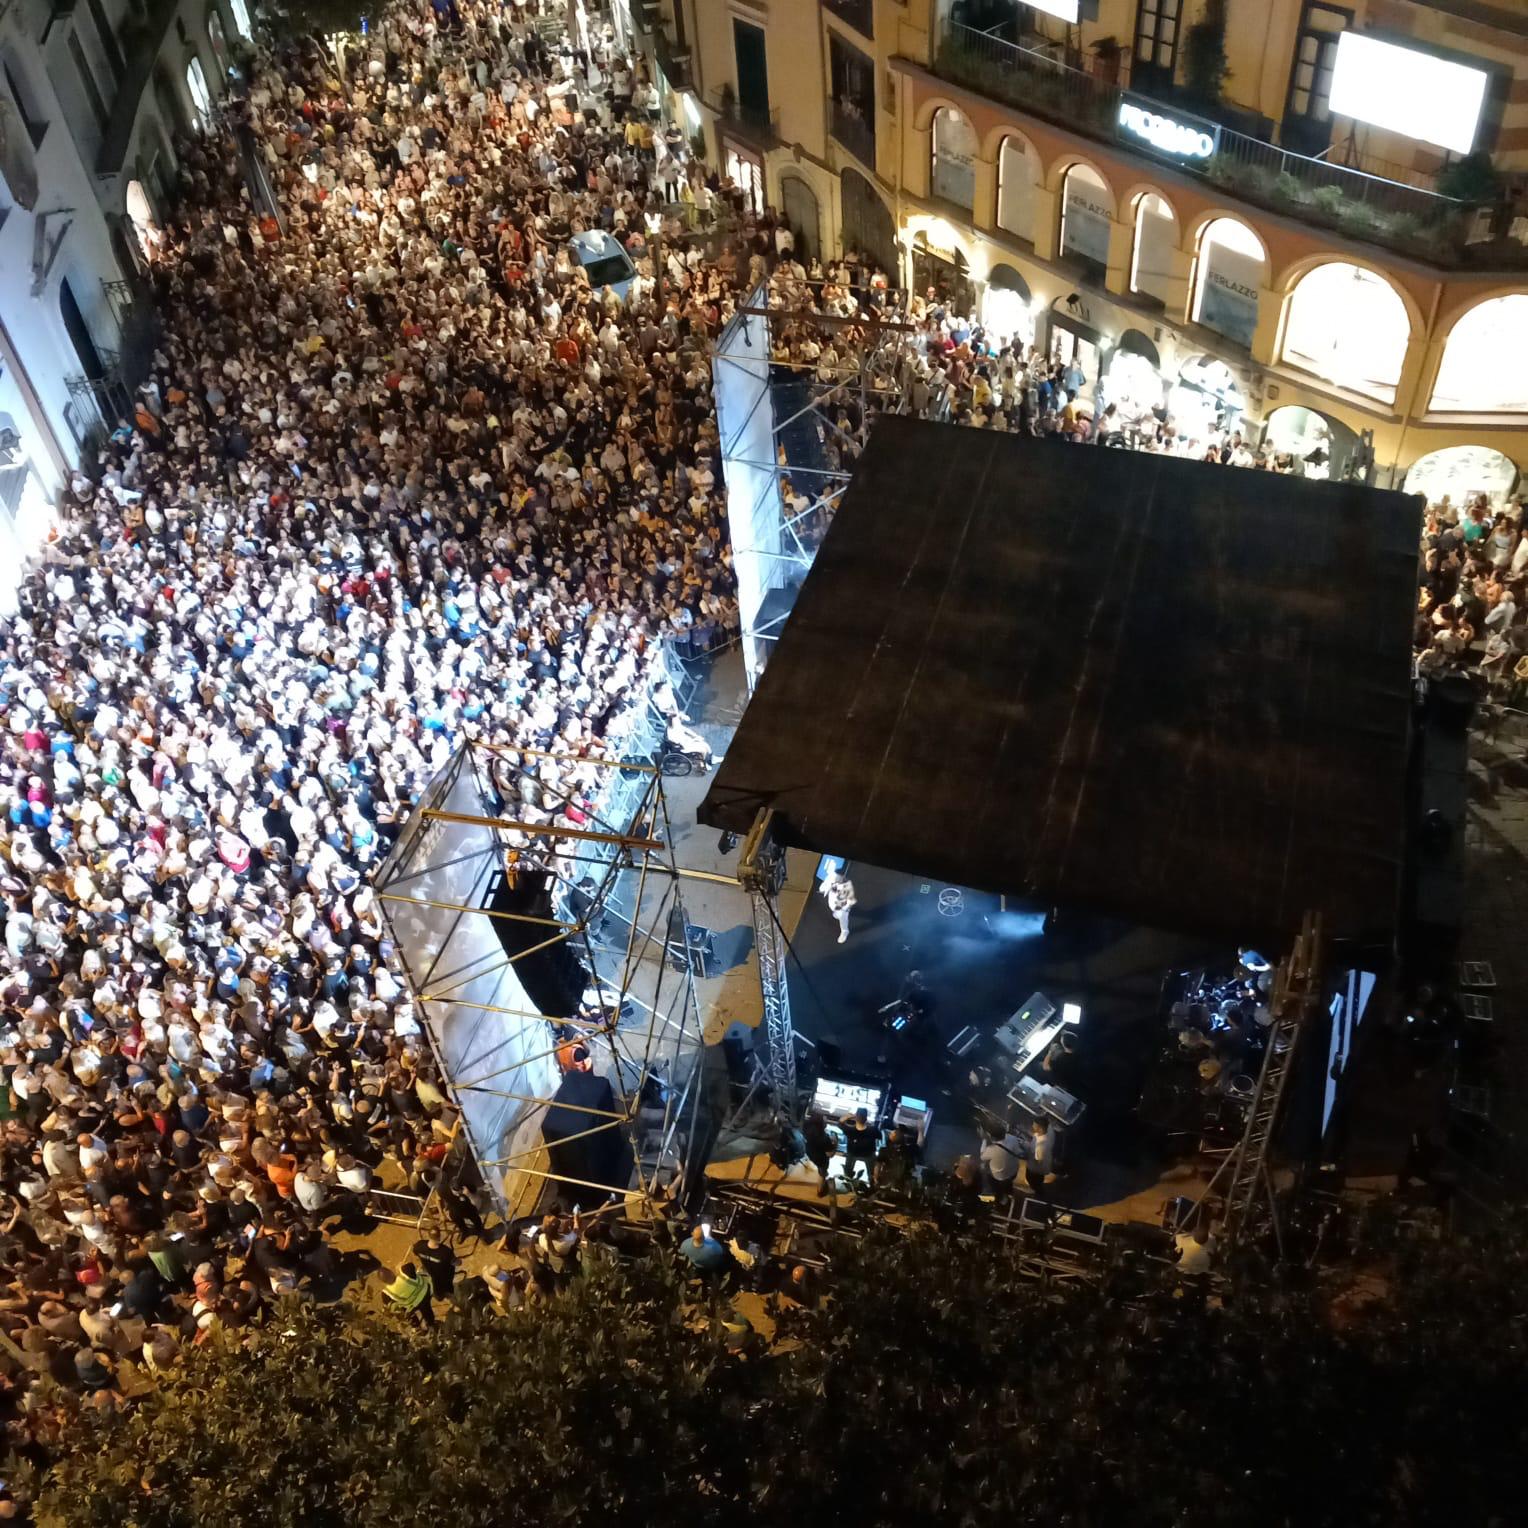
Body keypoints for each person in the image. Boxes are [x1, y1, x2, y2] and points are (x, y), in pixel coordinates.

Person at [382, 1260, 435, 1326]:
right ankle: (431, 1323)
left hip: (412, 1306)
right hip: (426, 1293)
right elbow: (410, 1264)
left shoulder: (386, 1293)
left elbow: (390, 1307)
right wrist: (401, 1266)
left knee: (401, 1308)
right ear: (391, 1272)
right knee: (426, 1309)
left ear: (384, 1282)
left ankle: (415, 1326)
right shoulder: (405, 1272)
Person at [979, 1126, 1022, 1199]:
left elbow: (982, 1157)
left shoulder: (991, 1149)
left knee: (984, 1168)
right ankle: (1009, 1193)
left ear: (992, 1138)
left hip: (999, 1176)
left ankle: (999, 1196)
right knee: (1008, 1182)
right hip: (1013, 1171)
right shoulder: (1013, 1139)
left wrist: (984, 1140)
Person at [819, 862, 857, 944]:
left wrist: (844, 909)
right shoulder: (831, 877)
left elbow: (850, 901)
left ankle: (845, 931)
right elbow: (822, 888)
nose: (836, 878)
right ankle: (838, 913)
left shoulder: (846, 885)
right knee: (837, 912)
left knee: (842, 916)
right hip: (833, 904)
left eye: (838, 877)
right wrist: (826, 886)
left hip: (842, 907)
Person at [839, 1107, 877, 1185]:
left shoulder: (850, 1130)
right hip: (868, 1155)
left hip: (853, 1153)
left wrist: (848, 1116)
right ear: (866, 1118)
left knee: (849, 1161)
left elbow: (840, 1123)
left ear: (856, 1117)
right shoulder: (873, 1130)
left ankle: (848, 1179)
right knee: (872, 1166)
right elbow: (879, 1138)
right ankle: (872, 1181)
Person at [802, 1109, 833, 1197]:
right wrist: (835, 1143)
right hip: (820, 1159)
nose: (826, 1121)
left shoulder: (806, 1128)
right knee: (822, 1173)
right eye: (825, 1120)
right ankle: (820, 1191)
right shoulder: (825, 1138)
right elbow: (830, 1154)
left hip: (808, 1153)